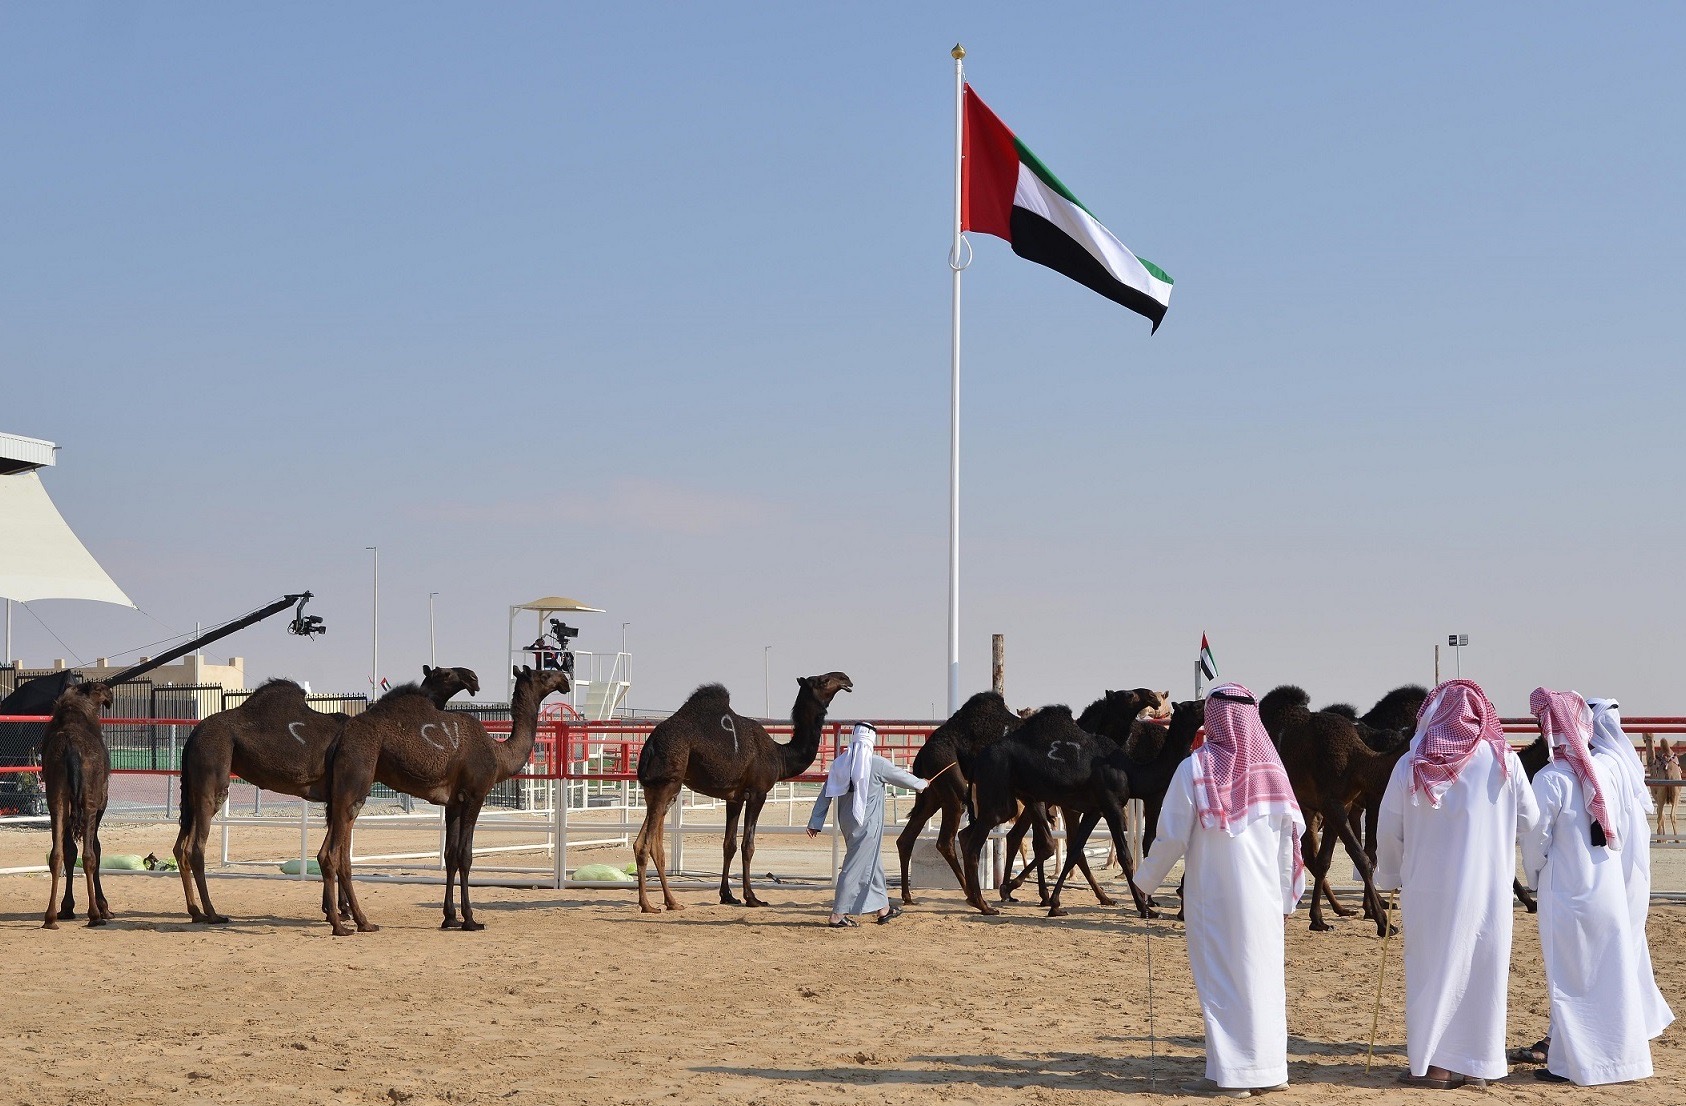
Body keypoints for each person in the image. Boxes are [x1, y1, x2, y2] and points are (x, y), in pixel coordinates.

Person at [1135, 682, 1305, 1098]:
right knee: (1263, 981)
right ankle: (1269, 1070)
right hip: (1265, 901)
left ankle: (1232, 1078)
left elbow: (1171, 837)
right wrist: (1286, 898)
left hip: (1214, 898)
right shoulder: (1274, 774)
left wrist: (1144, 882)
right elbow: (1290, 844)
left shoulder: (1194, 769)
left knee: (1223, 982)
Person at [1374, 679, 1539, 1090]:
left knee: (1434, 972)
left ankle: (1436, 1067)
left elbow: (1388, 829)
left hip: (1428, 892)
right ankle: (1478, 1065)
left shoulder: (1413, 761)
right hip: (1488, 892)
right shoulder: (1505, 760)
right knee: (1482, 971)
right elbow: (1530, 820)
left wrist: (1388, 876)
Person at [1519, 689, 1658, 1085]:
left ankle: (1570, 1066)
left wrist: (1535, 878)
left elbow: (1534, 842)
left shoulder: (1550, 779)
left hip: (1567, 894)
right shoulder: (1607, 772)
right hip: (1608, 890)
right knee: (1606, 979)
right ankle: (1617, 1063)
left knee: (1570, 979)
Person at [806, 723, 927, 927]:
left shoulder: (840, 764)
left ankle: (883, 909)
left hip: (847, 822)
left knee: (872, 863)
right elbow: (902, 778)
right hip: (867, 824)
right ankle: (838, 914)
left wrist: (815, 821)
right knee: (854, 867)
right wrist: (922, 783)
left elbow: (825, 793)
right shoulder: (876, 763)